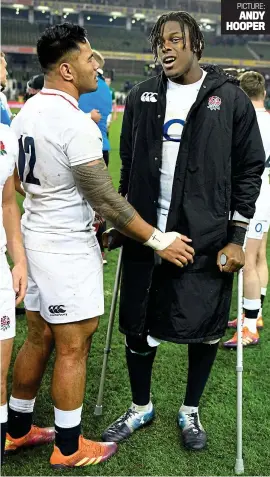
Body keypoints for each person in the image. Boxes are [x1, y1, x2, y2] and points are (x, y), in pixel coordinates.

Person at [8, 22, 193, 468]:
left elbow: (12, 181)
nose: (99, 64)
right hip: (66, 251)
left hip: (35, 237)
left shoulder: (27, 111)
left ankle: (16, 430)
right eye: (91, 57)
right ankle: (69, 448)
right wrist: (157, 239)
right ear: (68, 69)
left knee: (38, 337)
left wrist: (50, 203)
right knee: (73, 346)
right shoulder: (75, 124)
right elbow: (106, 198)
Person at [101, 11, 265, 451]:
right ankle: (141, 407)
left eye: (175, 39)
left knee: (207, 325)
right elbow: (129, 166)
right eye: (160, 41)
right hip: (147, 232)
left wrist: (236, 236)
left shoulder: (229, 99)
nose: (166, 47)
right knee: (138, 324)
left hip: (206, 236)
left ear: (197, 45)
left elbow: (251, 169)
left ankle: (189, 410)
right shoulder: (139, 97)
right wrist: (121, 223)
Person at [225, 71, 270, 348]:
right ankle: (255, 312)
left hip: (251, 197)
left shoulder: (244, 121)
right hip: (266, 193)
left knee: (247, 260)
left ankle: (249, 327)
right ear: (263, 92)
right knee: (260, 255)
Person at [0, 51, 28, 464]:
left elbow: (7, 201)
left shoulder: (3, 133)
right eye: (1, 62)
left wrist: (18, 260)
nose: (6, 68)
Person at [79, 50, 113, 264]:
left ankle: (86, 247)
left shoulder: (84, 88)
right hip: (103, 147)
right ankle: (100, 248)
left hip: (84, 147)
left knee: (80, 201)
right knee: (98, 202)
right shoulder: (105, 89)